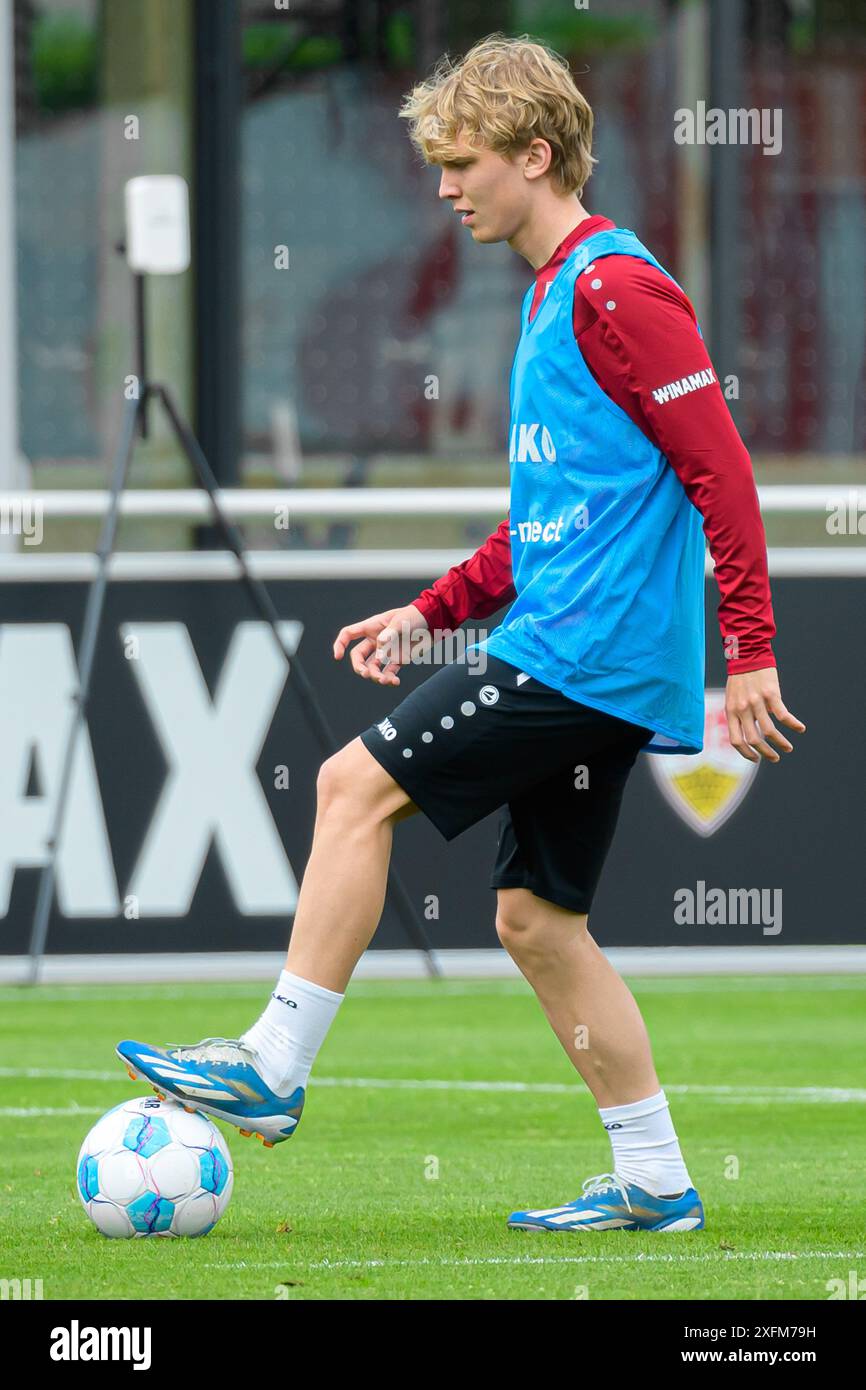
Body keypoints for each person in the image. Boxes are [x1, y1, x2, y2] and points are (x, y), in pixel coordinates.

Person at [118, 33, 804, 1234]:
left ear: (535, 156)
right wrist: (430, 609)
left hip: (576, 656)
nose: (443, 187)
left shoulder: (613, 289)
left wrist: (748, 652)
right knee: (537, 920)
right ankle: (652, 1177)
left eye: (462, 161)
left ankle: (274, 1065)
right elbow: (553, 515)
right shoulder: (555, 292)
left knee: (348, 786)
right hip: (575, 644)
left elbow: (723, 475)